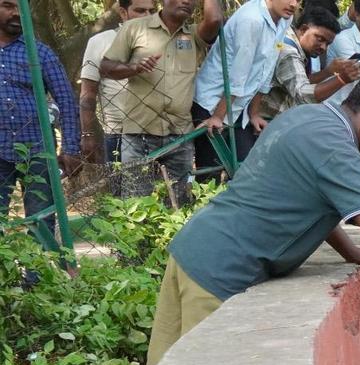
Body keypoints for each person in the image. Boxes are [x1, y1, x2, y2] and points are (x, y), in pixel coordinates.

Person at [145, 71, 360, 365]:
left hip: (194, 251)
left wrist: (352, 252)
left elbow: (311, 200)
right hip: (220, 273)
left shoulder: (309, 117)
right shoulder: (335, 145)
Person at [101, 0, 223, 204]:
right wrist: (134, 68)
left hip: (180, 135)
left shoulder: (193, 35)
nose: (187, 1)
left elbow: (215, 19)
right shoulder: (135, 28)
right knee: (136, 204)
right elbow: (105, 67)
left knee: (179, 203)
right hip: (138, 132)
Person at [0, 0, 81, 235]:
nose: (17, 13)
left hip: (37, 150)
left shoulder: (40, 52)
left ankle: (37, 272)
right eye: (8, 6)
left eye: (20, 7)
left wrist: (70, 147)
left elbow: (65, 99)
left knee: (41, 221)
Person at [192, 0, 298, 173]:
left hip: (240, 104)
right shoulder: (252, 19)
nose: (293, 4)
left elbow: (268, 65)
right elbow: (238, 76)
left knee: (246, 171)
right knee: (209, 175)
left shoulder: (285, 17)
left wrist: (254, 113)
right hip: (213, 103)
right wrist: (217, 117)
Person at [79, 0, 156, 166]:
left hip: (161, 132)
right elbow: (88, 93)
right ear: (123, 13)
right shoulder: (101, 42)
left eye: (152, 11)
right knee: (122, 190)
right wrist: (87, 135)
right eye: (140, 11)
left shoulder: (164, 41)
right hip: (119, 134)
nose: (148, 16)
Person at [259, 7, 360, 119]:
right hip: (269, 119)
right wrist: (342, 79)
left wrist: (328, 72)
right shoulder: (345, 40)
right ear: (358, 15)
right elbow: (303, 96)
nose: (323, 47)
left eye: (328, 43)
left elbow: (301, 80)